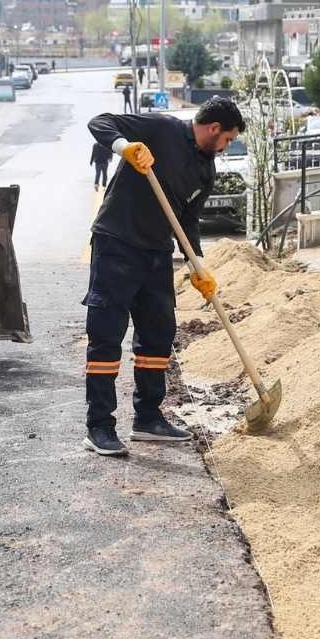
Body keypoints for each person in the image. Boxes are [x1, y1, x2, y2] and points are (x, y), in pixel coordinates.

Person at [82, 98, 245, 456]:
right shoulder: (162, 129)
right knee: (107, 333)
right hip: (117, 242)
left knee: (158, 333)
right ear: (214, 128)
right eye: (228, 139)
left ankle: (148, 419)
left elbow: (187, 220)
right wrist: (126, 147)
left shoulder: (206, 171)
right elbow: (99, 121)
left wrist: (196, 265)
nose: (226, 146)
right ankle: (100, 427)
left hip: (156, 252)